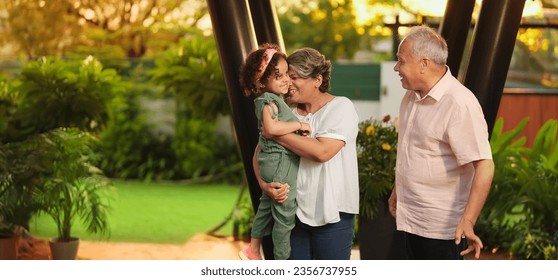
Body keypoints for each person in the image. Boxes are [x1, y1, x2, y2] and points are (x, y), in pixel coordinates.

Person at [387, 25, 495, 260]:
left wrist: (468, 220)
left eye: (401, 61)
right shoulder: (411, 96)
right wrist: (399, 189)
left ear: (424, 64)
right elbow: (413, 150)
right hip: (408, 220)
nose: (396, 68)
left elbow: (484, 165)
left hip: (441, 230)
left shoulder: (459, 103)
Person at [256, 47, 360, 260]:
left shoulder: (340, 107)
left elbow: (322, 152)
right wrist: (264, 185)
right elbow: (259, 153)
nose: (288, 83)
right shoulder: (285, 112)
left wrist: (274, 132)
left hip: (334, 216)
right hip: (293, 214)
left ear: (317, 79)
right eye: (284, 76)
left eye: (293, 77)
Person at [238, 43, 311, 260]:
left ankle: (253, 248)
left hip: (272, 162)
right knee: (284, 218)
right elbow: (271, 130)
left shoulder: (274, 100)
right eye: (278, 76)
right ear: (262, 82)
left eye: (286, 74)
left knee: (266, 207)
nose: (286, 80)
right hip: (280, 163)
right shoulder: (268, 101)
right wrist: (299, 126)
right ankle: (281, 262)